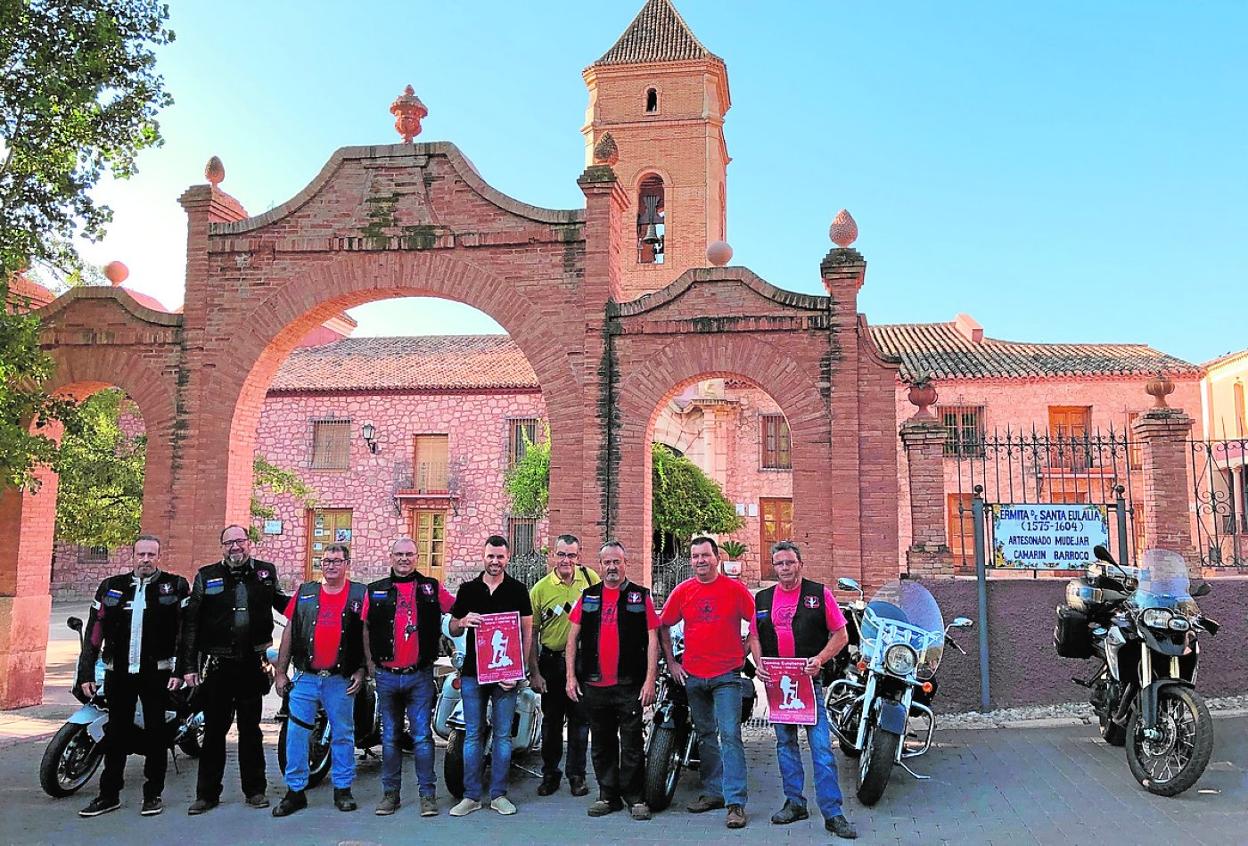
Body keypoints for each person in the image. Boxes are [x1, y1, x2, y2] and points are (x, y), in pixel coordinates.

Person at [747, 540, 857, 839]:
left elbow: (841, 635)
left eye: (790, 562)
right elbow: (754, 636)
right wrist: (759, 663)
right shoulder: (763, 599)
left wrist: (820, 659)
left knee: (821, 748)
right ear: (774, 567)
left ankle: (833, 813)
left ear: (800, 565)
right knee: (785, 744)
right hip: (779, 684)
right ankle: (794, 802)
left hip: (809, 683)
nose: (785, 568)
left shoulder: (819, 594)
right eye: (779, 563)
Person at [76, 535, 190, 818]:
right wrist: (85, 672)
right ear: (133, 556)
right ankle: (108, 795)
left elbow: (186, 633)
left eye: (151, 554)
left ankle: (152, 795)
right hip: (118, 673)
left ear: (159, 557)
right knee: (115, 734)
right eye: (141, 554)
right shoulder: (111, 587)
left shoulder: (175, 586)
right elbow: (94, 632)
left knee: (156, 735)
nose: (146, 560)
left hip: (158, 673)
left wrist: (180, 671)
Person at [179, 524, 290, 815]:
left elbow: (283, 603)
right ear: (222, 547)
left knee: (250, 730)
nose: (235, 547)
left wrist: (312, 605)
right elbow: (191, 623)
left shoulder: (266, 572)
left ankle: (255, 790)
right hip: (218, 666)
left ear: (248, 543)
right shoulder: (206, 575)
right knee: (214, 732)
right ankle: (206, 795)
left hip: (253, 664)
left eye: (239, 541)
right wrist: (188, 666)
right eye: (229, 543)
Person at [658, 536, 755, 830]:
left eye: (705, 555)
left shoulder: (734, 590)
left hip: (726, 676)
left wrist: (745, 651)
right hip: (694, 675)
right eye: (695, 556)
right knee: (705, 735)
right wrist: (672, 663)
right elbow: (663, 625)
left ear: (717, 558)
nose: (700, 560)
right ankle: (714, 792)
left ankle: (735, 803)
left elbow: (758, 622)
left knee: (730, 735)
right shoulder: (683, 591)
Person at [272, 543, 368, 816]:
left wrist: (362, 669)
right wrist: (281, 672)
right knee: (296, 734)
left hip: (340, 679)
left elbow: (365, 634)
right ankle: (295, 792)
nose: (331, 565)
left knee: (343, 734)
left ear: (347, 564)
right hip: (306, 677)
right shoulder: (305, 592)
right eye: (326, 561)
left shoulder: (360, 594)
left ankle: (343, 789)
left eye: (337, 561)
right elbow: (289, 632)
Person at [565, 540, 659, 820]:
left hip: (629, 684)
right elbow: (572, 639)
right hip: (595, 685)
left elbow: (653, 640)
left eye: (617, 561)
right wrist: (571, 677)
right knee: (601, 743)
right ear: (600, 565)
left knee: (632, 744)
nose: (612, 567)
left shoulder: (640, 596)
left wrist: (650, 680)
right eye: (607, 562)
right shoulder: (589, 596)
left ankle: (635, 798)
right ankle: (607, 796)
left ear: (625, 563)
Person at [364, 536, 456, 817]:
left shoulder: (431, 588)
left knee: (422, 737)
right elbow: (364, 628)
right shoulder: (375, 590)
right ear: (391, 557)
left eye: (409, 554)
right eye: (399, 554)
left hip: (419, 676)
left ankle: (427, 795)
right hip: (387, 676)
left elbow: (457, 610)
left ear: (417, 557)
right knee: (390, 737)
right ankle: (390, 795)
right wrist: (369, 664)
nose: (404, 559)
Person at [447, 535, 534, 817]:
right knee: (472, 734)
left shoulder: (518, 590)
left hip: (505, 674)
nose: (495, 561)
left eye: (500, 556)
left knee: (502, 736)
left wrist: (519, 671)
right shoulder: (468, 589)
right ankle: (471, 796)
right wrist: (463, 621)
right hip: (473, 673)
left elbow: (527, 632)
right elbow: (453, 627)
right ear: (483, 557)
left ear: (507, 558)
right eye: (490, 556)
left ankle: (498, 795)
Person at [528, 533, 598, 797]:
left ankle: (577, 776)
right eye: (561, 554)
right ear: (553, 555)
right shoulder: (540, 589)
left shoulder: (591, 580)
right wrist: (534, 672)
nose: (565, 560)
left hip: (581, 662)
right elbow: (532, 634)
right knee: (552, 723)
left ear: (579, 556)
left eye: (571, 555)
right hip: (552, 662)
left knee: (580, 723)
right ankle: (550, 774)